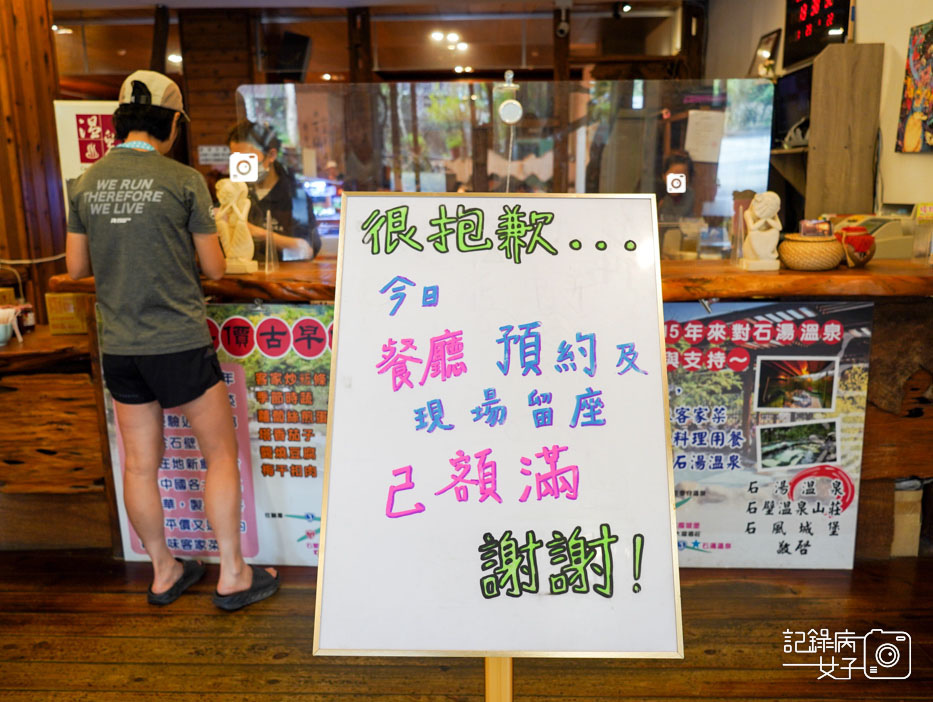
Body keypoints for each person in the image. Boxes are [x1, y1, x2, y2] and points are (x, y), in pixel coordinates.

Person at [65, 70, 279, 610]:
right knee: (220, 454)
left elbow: (74, 268)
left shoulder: (85, 184)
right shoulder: (182, 181)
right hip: (178, 342)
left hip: (121, 346)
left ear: (120, 121)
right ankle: (232, 572)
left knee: (139, 463)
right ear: (174, 122)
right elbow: (213, 265)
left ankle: (163, 570)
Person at [226, 120, 321, 261]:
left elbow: (307, 249)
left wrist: (255, 232)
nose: (243, 165)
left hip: (285, 279)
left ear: (271, 155)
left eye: (248, 158)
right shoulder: (232, 191)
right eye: (236, 159)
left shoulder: (294, 196)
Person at [657, 150, 697, 221]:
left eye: (681, 177)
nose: (676, 182)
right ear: (663, 176)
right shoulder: (658, 197)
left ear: (688, 180)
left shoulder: (691, 197)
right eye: (673, 176)